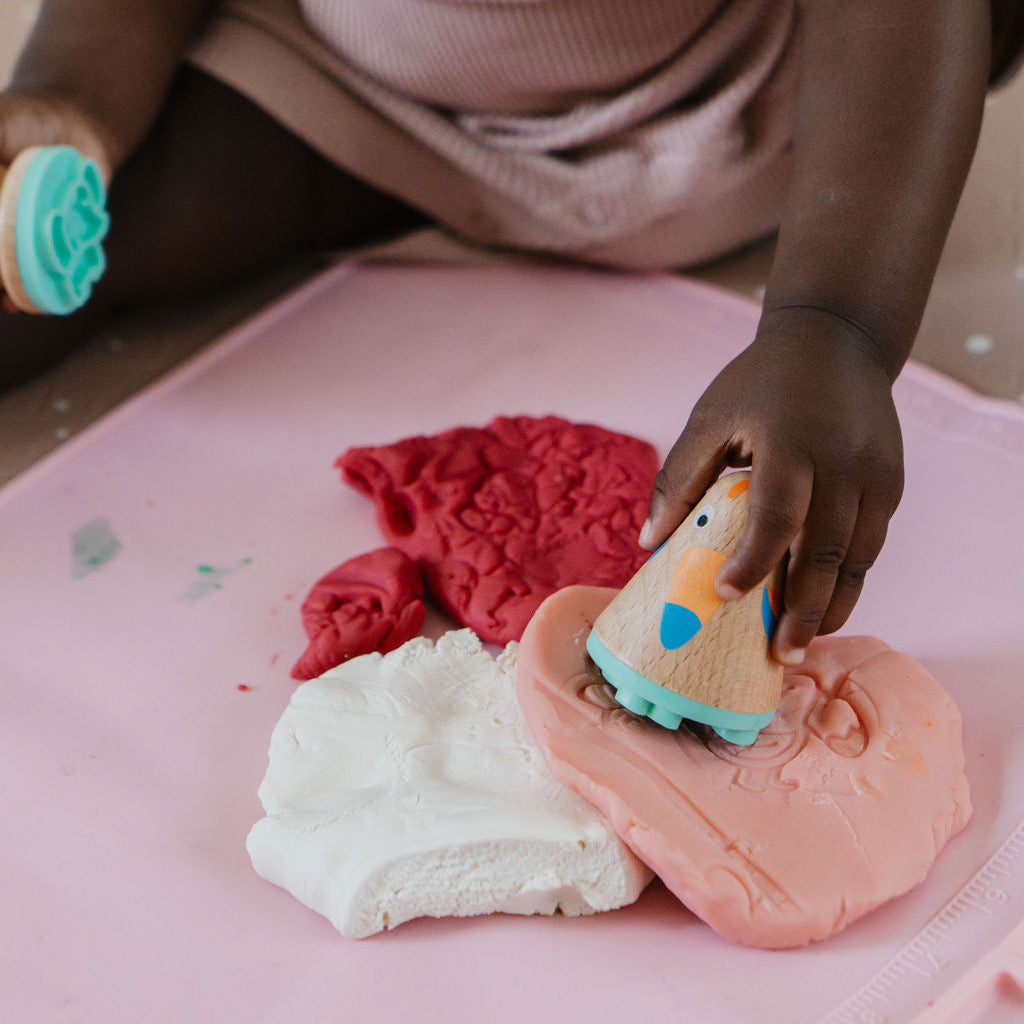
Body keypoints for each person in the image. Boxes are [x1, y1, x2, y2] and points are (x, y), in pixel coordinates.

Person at [1, 0, 1021, 666]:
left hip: (756, 94)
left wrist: (833, 322)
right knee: (69, 250)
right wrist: (72, 98)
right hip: (354, 90)